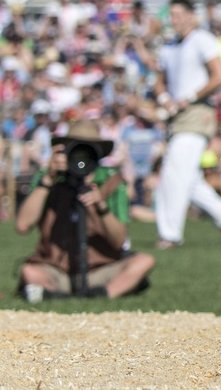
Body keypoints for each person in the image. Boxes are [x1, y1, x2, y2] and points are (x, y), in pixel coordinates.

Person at [16, 119, 156, 300]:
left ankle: (101, 293)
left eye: (88, 150)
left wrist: (101, 205)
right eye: (75, 149)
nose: (80, 158)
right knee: (29, 271)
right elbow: (22, 226)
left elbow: (119, 241)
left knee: (144, 261)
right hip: (57, 268)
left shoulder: (111, 180)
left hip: (100, 268)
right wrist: (48, 181)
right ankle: (62, 292)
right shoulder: (49, 177)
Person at [153, 0, 221, 248]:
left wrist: (188, 98)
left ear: (192, 16)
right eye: (172, 15)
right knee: (186, 177)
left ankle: (170, 234)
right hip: (178, 116)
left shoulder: (202, 39)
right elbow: (159, 80)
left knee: (174, 172)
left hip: (196, 112)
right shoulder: (169, 46)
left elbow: (220, 76)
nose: (174, 19)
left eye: (179, 14)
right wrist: (164, 99)